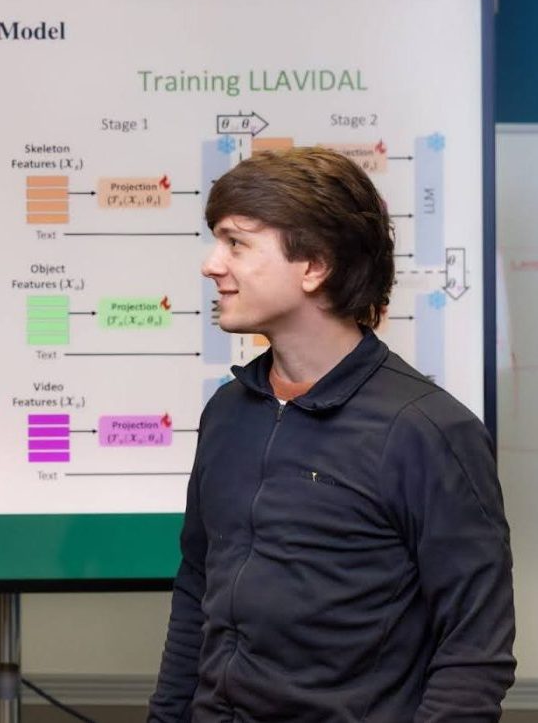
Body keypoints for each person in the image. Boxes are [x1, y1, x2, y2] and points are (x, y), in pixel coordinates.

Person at [149, 147, 515, 722]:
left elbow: (475, 653)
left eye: (236, 243)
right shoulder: (228, 412)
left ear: (314, 265)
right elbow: (197, 593)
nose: (212, 264)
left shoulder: (427, 431)